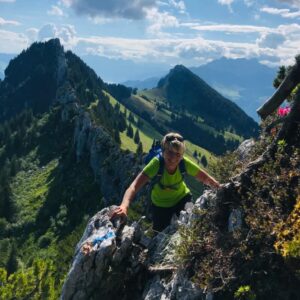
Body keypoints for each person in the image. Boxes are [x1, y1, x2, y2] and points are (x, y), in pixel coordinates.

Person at [112, 132, 221, 232]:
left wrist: (221, 189)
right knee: (159, 234)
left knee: (193, 221)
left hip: (182, 198)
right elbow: (134, 187)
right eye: (170, 152)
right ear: (163, 151)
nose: (173, 158)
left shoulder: (184, 163)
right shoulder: (156, 164)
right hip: (161, 205)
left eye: (178, 154)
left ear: (182, 156)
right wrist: (124, 206)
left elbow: (206, 179)